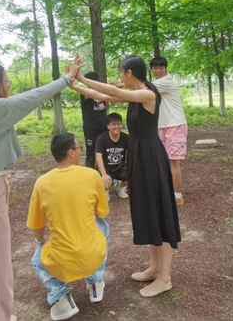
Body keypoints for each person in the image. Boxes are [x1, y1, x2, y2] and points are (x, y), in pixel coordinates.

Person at [0, 59, 83, 321]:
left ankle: (3, 315)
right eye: (6, 80)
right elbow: (33, 97)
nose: (9, 84)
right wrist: (66, 79)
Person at [71, 55, 180, 298]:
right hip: (141, 158)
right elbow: (102, 95)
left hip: (151, 159)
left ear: (129, 73)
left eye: (121, 72)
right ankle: (155, 267)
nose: (119, 77)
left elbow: (110, 91)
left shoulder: (147, 94)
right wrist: (74, 85)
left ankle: (165, 278)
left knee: (159, 213)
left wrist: (81, 78)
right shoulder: (136, 93)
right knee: (149, 212)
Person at [27, 133, 109, 321]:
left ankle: (61, 298)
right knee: (103, 226)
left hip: (60, 259)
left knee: (37, 259)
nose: (81, 151)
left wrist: (40, 242)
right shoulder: (91, 175)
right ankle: (96, 283)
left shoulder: (42, 183)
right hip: (92, 254)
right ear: (71, 153)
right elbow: (102, 212)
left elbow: (37, 225)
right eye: (80, 148)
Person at [149, 57, 188, 206]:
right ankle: (168, 192)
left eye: (161, 68)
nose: (158, 71)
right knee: (165, 160)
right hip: (164, 126)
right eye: (155, 68)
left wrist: (122, 83)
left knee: (173, 161)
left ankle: (177, 196)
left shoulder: (166, 82)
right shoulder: (157, 84)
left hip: (175, 124)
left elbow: (142, 86)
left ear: (166, 69)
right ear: (152, 70)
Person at [95, 112, 129, 200]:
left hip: (120, 167)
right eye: (113, 124)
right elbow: (98, 156)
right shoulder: (101, 138)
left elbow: (132, 152)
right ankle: (105, 190)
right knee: (101, 180)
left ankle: (119, 186)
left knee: (135, 174)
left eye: (119, 124)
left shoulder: (126, 137)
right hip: (106, 168)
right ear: (108, 126)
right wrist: (104, 174)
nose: (116, 126)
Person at [79, 71, 108, 170]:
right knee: (91, 150)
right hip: (91, 127)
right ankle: (90, 171)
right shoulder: (84, 92)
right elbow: (91, 93)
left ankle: (104, 172)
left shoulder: (103, 90)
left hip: (104, 125)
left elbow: (113, 89)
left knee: (104, 149)